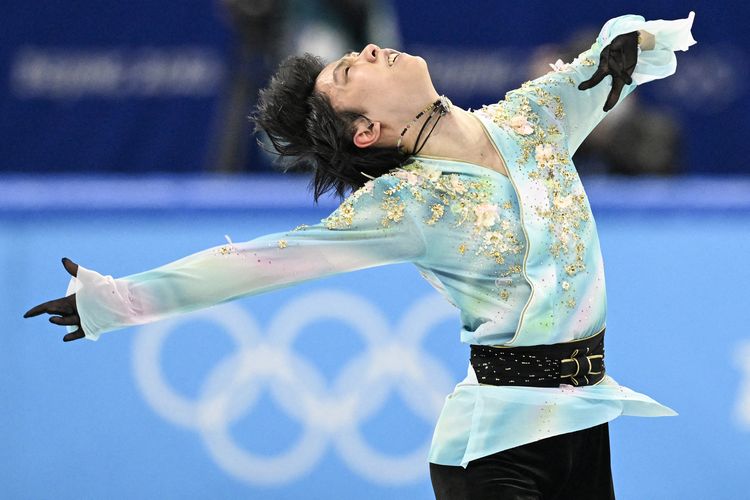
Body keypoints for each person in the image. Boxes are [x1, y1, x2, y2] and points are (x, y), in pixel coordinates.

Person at [24, 12, 696, 500]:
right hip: (496, 453)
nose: (371, 48)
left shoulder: (533, 117)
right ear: (368, 130)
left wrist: (632, 43)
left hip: (585, 426)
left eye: (360, 53)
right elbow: (258, 262)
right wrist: (116, 301)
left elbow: (615, 57)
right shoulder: (402, 204)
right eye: (352, 69)